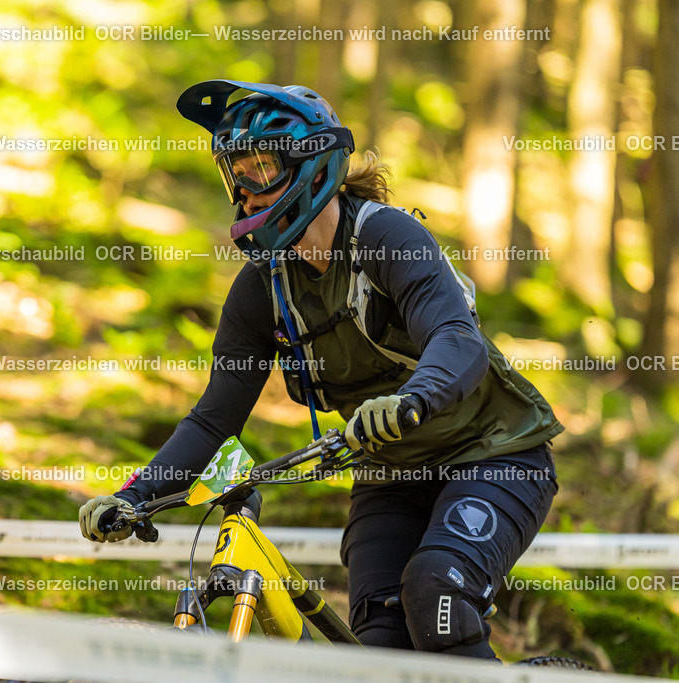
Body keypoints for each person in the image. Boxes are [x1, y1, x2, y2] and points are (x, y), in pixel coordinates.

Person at [79, 80, 564, 660]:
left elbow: (457, 339)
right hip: (391, 476)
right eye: (236, 174)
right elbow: (214, 420)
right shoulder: (264, 289)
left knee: (436, 589)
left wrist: (411, 399)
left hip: (495, 454)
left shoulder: (386, 236)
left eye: (261, 168)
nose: (247, 191)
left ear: (313, 163)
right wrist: (135, 496)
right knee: (377, 654)